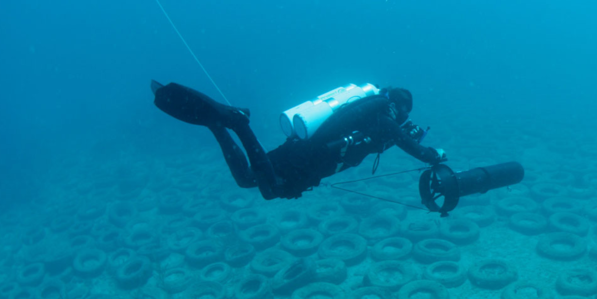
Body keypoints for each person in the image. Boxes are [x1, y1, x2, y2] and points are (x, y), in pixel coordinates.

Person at [151, 80, 445, 200]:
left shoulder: (367, 116)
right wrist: (433, 155)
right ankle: (239, 124)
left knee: (247, 180)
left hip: (302, 148)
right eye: (403, 115)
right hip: (311, 161)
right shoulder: (382, 117)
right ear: (397, 108)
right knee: (269, 189)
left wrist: (405, 136)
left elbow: (379, 143)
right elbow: (408, 145)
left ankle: (216, 125)